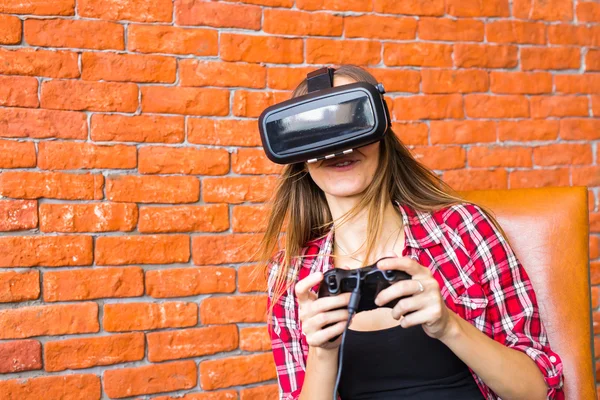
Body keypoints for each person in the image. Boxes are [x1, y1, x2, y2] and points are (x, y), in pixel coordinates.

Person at [258, 65, 564, 400]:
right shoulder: (290, 274)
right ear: (299, 155)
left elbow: (538, 392)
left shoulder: (463, 230)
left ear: (381, 128)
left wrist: (449, 326)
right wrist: (322, 352)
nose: (339, 146)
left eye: (351, 119)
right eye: (317, 131)